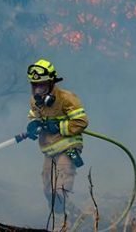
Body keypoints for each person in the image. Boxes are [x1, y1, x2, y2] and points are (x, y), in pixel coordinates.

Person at [23, 59, 89, 216]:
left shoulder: (67, 98)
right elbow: (34, 117)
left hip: (68, 147)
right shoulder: (34, 101)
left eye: (42, 86)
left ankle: (64, 221)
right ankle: (73, 215)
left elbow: (81, 122)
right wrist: (33, 125)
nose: (38, 90)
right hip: (49, 149)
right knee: (48, 190)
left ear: (52, 83)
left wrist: (60, 126)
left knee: (60, 189)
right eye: (35, 86)